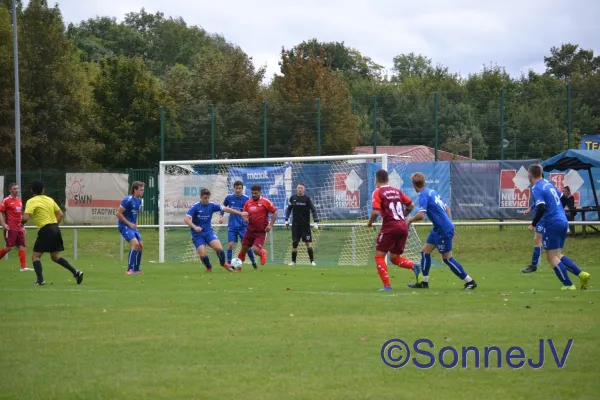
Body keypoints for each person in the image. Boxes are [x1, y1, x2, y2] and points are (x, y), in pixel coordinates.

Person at [406, 172, 477, 290]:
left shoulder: (423, 195)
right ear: (424, 182)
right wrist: (450, 225)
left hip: (443, 230)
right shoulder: (431, 192)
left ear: (414, 184)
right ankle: (424, 282)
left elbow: (420, 215)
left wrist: (409, 220)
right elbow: (447, 208)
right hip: (439, 229)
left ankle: (469, 281)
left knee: (447, 259)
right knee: (424, 252)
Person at [527, 164, 590, 290]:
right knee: (557, 255)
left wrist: (533, 224)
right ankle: (581, 274)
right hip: (563, 221)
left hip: (552, 223)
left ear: (530, 175)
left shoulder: (536, 188)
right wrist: (557, 210)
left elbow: (542, 207)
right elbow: (565, 199)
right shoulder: (548, 183)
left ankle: (568, 285)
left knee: (550, 257)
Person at [21, 181, 83, 286]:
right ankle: (76, 272)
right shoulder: (49, 199)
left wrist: (20, 222)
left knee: (35, 256)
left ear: (32, 190)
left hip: (46, 229)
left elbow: (26, 218)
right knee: (54, 256)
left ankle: (40, 281)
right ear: (43, 190)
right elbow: (60, 215)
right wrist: (54, 227)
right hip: (55, 228)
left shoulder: (31, 201)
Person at [367, 170, 417, 291]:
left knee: (379, 256)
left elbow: (375, 212)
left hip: (390, 227)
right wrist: (403, 216)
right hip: (403, 226)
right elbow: (411, 205)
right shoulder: (397, 191)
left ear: (376, 180)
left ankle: (387, 286)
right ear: (388, 179)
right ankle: (415, 266)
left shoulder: (378, 192)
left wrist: (370, 222)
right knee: (394, 258)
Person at [185, 188, 248, 272]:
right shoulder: (196, 206)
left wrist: (240, 213)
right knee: (203, 254)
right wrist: (195, 227)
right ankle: (209, 267)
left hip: (208, 232)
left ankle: (223, 263)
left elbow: (226, 209)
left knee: (219, 249)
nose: (207, 200)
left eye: (208, 198)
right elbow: (186, 219)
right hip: (197, 234)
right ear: (200, 197)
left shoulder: (212, 205)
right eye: (205, 198)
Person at [219, 181, 257, 269]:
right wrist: (221, 216)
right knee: (230, 245)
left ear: (242, 189)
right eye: (236, 188)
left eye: (240, 188)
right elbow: (223, 207)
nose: (238, 190)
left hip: (243, 226)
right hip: (232, 226)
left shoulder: (247, 199)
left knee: (246, 246)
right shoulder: (229, 198)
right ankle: (229, 264)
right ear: (234, 188)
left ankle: (253, 262)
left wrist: (249, 219)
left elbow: (251, 210)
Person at [236, 185, 277, 268]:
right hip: (249, 231)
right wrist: (245, 218)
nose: (254, 195)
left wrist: (270, 225)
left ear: (260, 192)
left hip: (261, 232)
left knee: (255, 250)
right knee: (243, 250)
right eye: (252, 193)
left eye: (256, 193)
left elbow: (274, 213)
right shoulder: (248, 203)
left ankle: (262, 252)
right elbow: (245, 214)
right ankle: (238, 268)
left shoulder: (266, 202)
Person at [285, 183, 319, 266]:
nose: (300, 189)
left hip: (305, 226)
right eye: (299, 188)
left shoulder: (307, 199)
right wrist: (286, 219)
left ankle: (312, 261)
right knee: (295, 243)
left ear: (304, 189)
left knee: (308, 243)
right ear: (296, 189)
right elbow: (289, 209)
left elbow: (313, 209)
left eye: (301, 188)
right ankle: (293, 262)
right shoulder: (292, 198)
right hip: (295, 225)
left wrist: (316, 222)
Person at [0, 183, 32, 271]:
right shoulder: (6, 200)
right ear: (10, 190)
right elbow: (1, 213)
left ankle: (23, 267)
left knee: (22, 245)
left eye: (17, 188)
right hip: (10, 228)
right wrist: (3, 224)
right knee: (9, 247)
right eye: (14, 189)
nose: (16, 190)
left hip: (19, 228)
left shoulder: (19, 200)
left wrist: (23, 225)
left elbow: (20, 214)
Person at [116, 181, 144, 275]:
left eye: (143, 189)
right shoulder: (127, 200)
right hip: (124, 226)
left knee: (140, 245)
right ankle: (129, 270)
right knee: (135, 244)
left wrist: (134, 224)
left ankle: (136, 269)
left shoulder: (139, 200)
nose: (142, 191)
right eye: (140, 190)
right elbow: (118, 213)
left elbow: (134, 214)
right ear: (135, 190)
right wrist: (129, 224)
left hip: (132, 227)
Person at [521, 202, 543, 273]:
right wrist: (529, 209)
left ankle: (533, 266)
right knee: (539, 240)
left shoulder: (540, 191)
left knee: (538, 240)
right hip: (545, 219)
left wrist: (533, 224)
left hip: (543, 219)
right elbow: (537, 201)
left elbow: (542, 207)